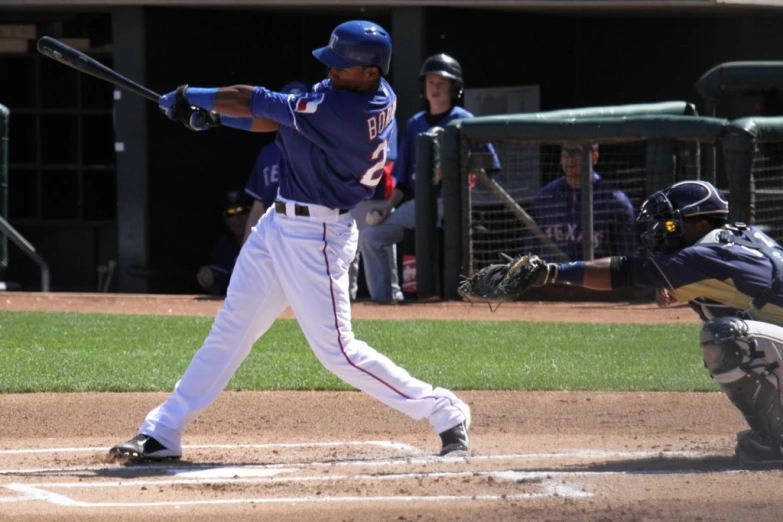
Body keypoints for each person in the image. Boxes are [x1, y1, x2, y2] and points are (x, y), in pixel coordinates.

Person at [109, 20, 471, 462]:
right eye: (332, 64)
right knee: (230, 329)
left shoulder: (350, 112)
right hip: (278, 226)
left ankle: (445, 411)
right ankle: (164, 430)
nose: (332, 70)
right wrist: (216, 118)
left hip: (317, 235)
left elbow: (255, 99)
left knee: (339, 352)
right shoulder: (354, 93)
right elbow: (279, 120)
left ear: (371, 72)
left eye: (342, 66)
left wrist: (191, 96)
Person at [503, 180, 783, 469]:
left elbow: (624, 271)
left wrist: (549, 272)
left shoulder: (704, 255)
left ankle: (775, 441)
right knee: (728, 330)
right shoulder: (739, 239)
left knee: (726, 338)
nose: (662, 230)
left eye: (672, 224)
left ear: (700, 225)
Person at [360, 53, 499, 302]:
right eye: (431, 82)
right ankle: (385, 300)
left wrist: (456, 169)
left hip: (456, 203)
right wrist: (388, 209)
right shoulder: (415, 124)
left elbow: (490, 167)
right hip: (421, 204)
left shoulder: (463, 120)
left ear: (454, 88)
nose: (435, 88)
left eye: (441, 83)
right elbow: (402, 180)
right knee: (372, 236)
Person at [529, 143, 636, 260]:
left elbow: (629, 258)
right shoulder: (545, 197)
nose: (570, 159)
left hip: (596, 276)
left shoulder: (615, 201)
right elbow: (532, 251)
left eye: (577, 152)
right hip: (555, 276)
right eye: (565, 152)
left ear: (594, 157)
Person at [243, 81, 310, 243]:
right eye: (289, 108)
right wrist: (246, 246)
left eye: (300, 109)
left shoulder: (323, 148)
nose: (293, 115)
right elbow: (258, 206)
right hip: (275, 227)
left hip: (310, 226)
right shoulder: (268, 152)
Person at [348, 118, 403, 302]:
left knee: (385, 254)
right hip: (351, 199)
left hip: (379, 198)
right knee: (347, 255)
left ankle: (391, 298)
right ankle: (346, 301)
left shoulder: (385, 115)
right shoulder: (343, 113)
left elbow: (389, 161)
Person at [196, 188, 251, 296]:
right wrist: (209, 281)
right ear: (225, 220)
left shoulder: (266, 242)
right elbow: (219, 290)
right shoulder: (224, 246)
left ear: (252, 213)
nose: (237, 219)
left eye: (241, 211)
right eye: (230, 213)